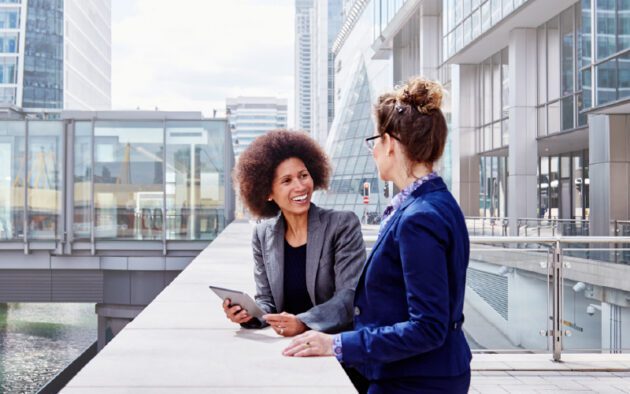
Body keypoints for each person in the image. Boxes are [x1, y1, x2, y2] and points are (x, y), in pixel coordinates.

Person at [283, 77, 472, 393]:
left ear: (392, 143)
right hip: (424, 373)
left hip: (415, 381)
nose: (373, 151)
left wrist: (337, 344)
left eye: (375, 141)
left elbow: (427, 327)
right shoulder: (435, 202)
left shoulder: (419, 218)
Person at [224, 130, 366, 337]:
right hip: (289, 346)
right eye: (287, 181)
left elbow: (349, 296)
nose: (300, 186)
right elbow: (267, 300)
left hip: (333, 346)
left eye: (303, 176)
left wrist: (303, 322)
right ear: (268, 193)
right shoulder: (263, 234)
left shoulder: (342, 224)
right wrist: (250, 314)